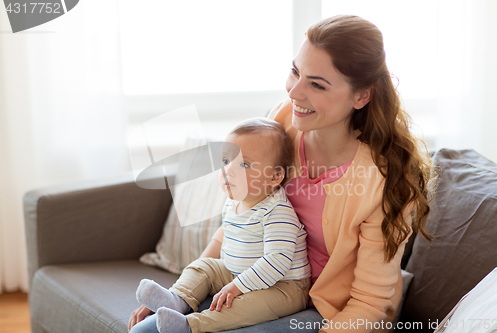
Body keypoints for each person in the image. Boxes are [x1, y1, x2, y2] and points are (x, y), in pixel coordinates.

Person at [130, 14, 433, 333]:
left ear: (362, 96)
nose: (294, 92)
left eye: (316, 84)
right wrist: (180, 295)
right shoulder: (285, 121)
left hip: (330, 311)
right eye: (295, 71)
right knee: (147, 331)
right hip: (253, 278)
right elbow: (242, 218)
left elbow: (371, 304)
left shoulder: (383, 182)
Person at [130, 117, 311, 333]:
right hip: (236, 272)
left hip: (283, 287)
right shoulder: (233, 203)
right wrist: (223, 278)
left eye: (244, 164)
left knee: (244, 307)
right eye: (226, 161)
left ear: (275, 176)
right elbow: (222, 238)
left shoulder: (277, 212)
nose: (229, 170)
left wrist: (237, 287)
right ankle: (176, 299)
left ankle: (190, 325)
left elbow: (277, 261)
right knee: (204, 268)